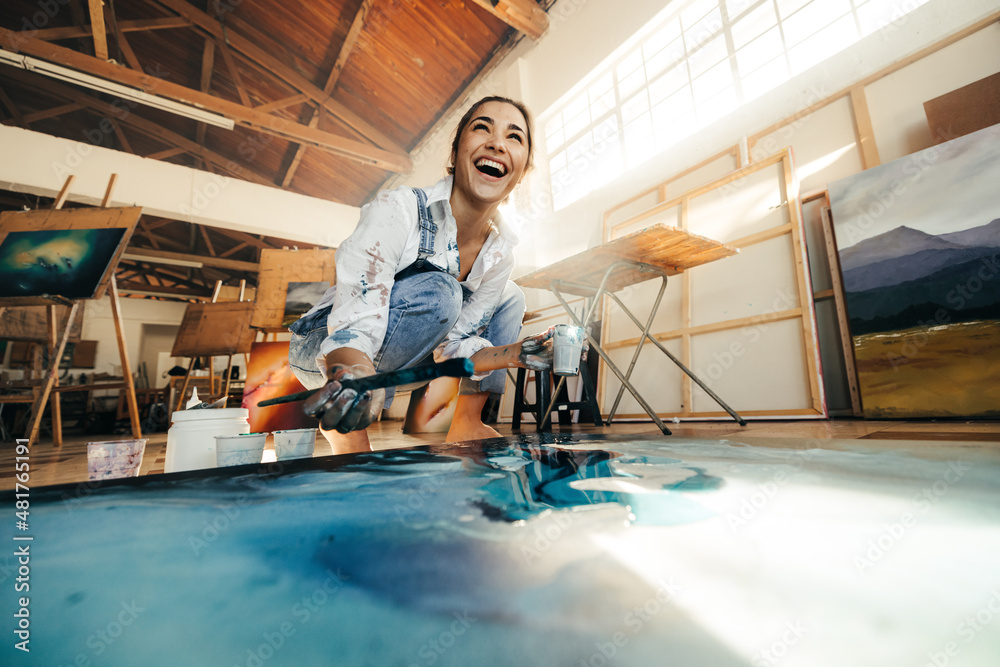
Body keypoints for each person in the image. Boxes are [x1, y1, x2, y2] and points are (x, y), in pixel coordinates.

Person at [288, 96, 559, 454]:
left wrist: (516, 353)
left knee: (512, 296)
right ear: (455, 151)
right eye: (483, 128)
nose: (497, 143)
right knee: (442, 290)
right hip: (327, 354)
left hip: (405, 365)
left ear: (522, 170)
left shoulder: (500, 254)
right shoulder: (398, 209)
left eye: (515, 137)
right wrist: (351, 372)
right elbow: (356, 318)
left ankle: (467, 422)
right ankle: (349, 427)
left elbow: (453, 350)